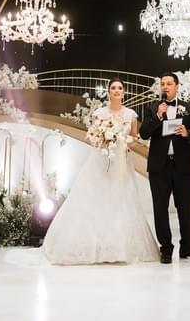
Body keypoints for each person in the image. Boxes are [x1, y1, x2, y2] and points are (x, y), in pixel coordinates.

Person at [42, 77, 158, 264]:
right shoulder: (99, 113)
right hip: (101, 161)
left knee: (121, 200)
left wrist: (122, 140)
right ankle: (93, 246)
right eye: (113, 88)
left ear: (124, 92)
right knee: (96, 199)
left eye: (120, 88)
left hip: (121, 162)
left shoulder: (130, 114)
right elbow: (92, 136)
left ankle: (118, 247)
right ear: (108, 91)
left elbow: (135, 137)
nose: (117, 91)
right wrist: (105, 139)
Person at [140, 72, 190, 264]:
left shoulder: (188, 108)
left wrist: (187, 133)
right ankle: (166, 249)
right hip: (159, 167)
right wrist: (157, 116)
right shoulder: (152, 108)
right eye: (162, 83)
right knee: (160, 209)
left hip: (182, 167)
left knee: (185, 208)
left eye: (169, 83)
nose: (165, 86)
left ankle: (187, 247)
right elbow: (144, 133)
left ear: (177, 86)